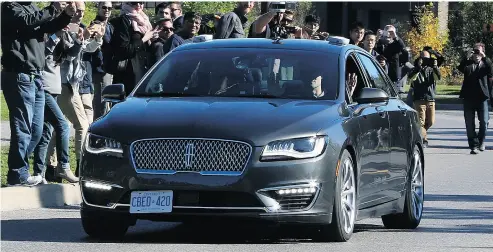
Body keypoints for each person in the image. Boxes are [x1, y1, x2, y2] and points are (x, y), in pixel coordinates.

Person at [1, 1, 76, 186]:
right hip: (19, 74)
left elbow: (47, 26)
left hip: (36, 76)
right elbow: (29, 21)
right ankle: (17, 174)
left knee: (37, 129)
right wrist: (53, 7)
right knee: (23, 128)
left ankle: (20, 169)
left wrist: (65, 15)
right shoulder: (10, 8)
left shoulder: (33, 8)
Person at [108, 2, 156, 96]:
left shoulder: (144, 20)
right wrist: (145, 38)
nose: (138, 5)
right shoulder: (124, 20)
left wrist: (152, 38)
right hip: (129, 73)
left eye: (141, 2)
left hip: (142, 70)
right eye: (134, 3)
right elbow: (124, 50)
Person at [458, 43, 493, 154]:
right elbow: (460, 68)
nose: (477, 54)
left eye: (479, 52)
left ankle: (481, 141)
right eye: (475, 52)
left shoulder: (485, 65)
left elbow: (491, 69)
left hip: (481, 98)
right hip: (468, 97)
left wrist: (484, 57)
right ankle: (474, 145)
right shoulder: (468, 64)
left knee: (484, 122)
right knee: (469, 123)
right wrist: (466, 56)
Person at [408, 50, 441, 147]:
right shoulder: (415, 69)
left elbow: (438, 78)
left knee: (430, 121)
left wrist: (435, 66)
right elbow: (411, 79)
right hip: (419, 98)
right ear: (419, 58)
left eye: (427, 58)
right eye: (423, 58)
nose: (425, 60)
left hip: (430, 98)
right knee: (421, 121)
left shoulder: (432, 69)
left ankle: (421, 133)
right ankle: (424, 139)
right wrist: (418, 67)